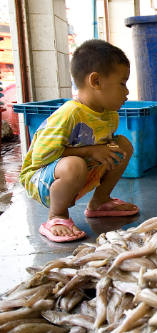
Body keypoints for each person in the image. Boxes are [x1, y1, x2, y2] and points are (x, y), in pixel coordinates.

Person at [19, 39, 139, 243]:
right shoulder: (69, 114)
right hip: (40, 178)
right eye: (122, 83)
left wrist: (102, 150)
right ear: (96, 81)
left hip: (79, 172)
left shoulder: (110, 114)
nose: (126, 92)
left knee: (123, 145)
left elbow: (103, 149)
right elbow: (41, 157)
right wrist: (90, 151)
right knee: (74, 165)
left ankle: (99, 202)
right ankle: (56, 216)